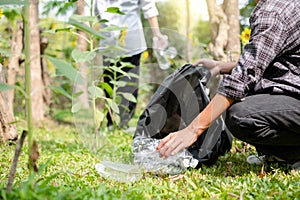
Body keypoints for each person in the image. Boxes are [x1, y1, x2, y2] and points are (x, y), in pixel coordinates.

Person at [157, 0, 300, 169]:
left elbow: (244, 77)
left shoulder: (273, 12)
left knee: (241, 115)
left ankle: (292, 155)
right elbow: (277, 63)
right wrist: (221, 66)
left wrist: (192, 130)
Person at [94, 0, 167, 128]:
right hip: (113, 40)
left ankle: (121, 122)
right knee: (112, 82)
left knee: (127, 83)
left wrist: (157, 35)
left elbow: (148, 6)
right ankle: (112, 121)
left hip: (127, 39)